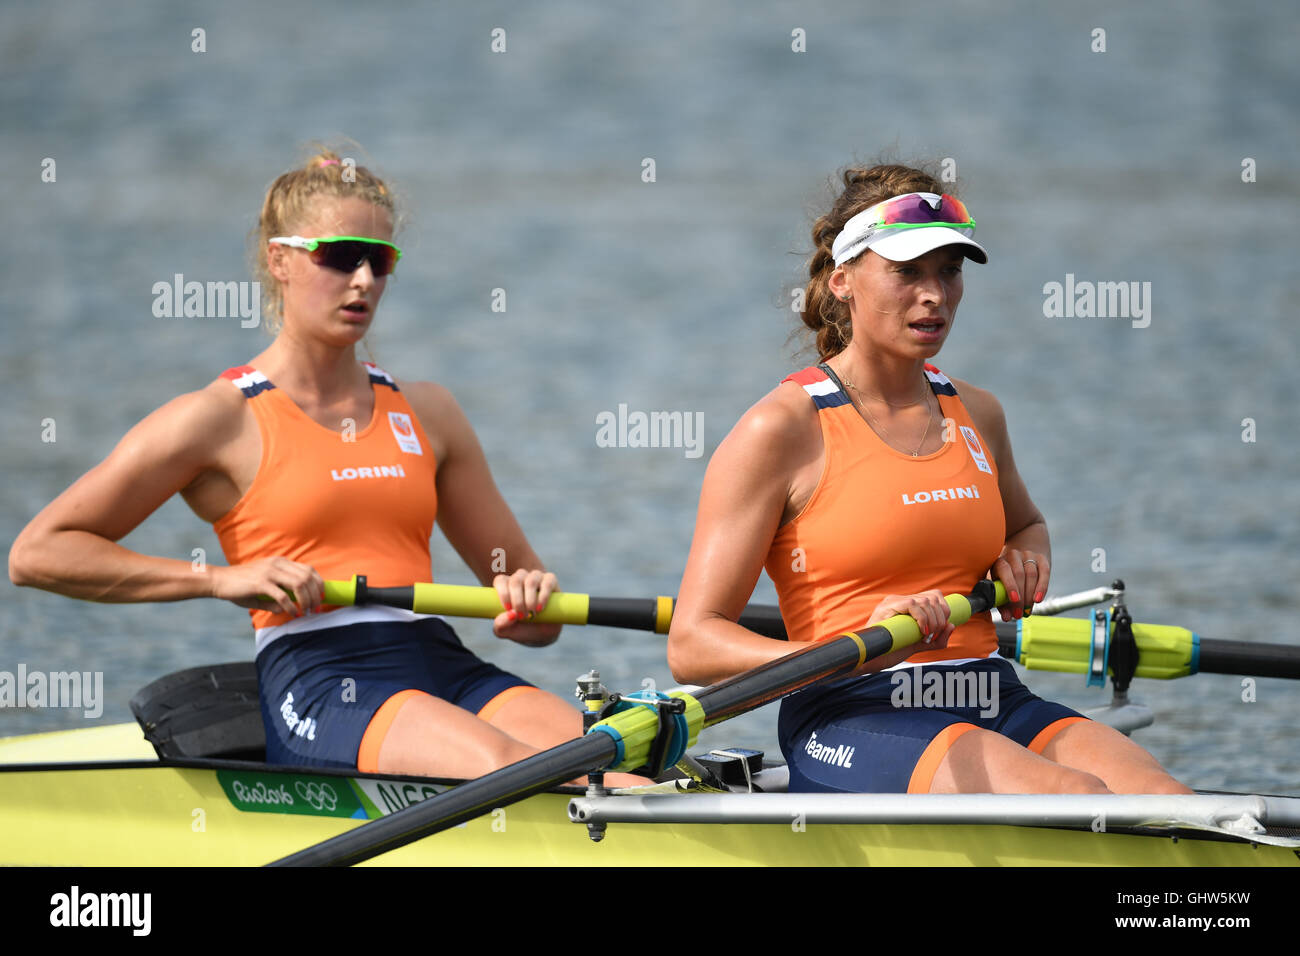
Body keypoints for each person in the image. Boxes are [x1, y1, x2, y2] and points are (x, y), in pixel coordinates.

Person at [9, 149, 642, 785]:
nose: (364, 279)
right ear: (278, 260)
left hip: (437, 659)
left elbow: (536, 616)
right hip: (317, 676)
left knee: (625, 765)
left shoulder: (430, 412)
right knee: (526, 772)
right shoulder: (217, 419)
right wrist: (220, 581)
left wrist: (528, 599)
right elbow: (39, 553)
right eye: (340, 256)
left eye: (381, 260)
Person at [666, 163, 1190, 795]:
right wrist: (856, 644)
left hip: (991, 692)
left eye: (950, 269)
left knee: (1167, 802)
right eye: (907, 271)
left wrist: (1025, 556)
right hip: (852, 710)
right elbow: (694, 645)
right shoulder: (778, 431)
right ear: (842, 281)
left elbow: (1025, 523)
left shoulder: (979, 413)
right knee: (1076, 798)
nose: (935, 294)